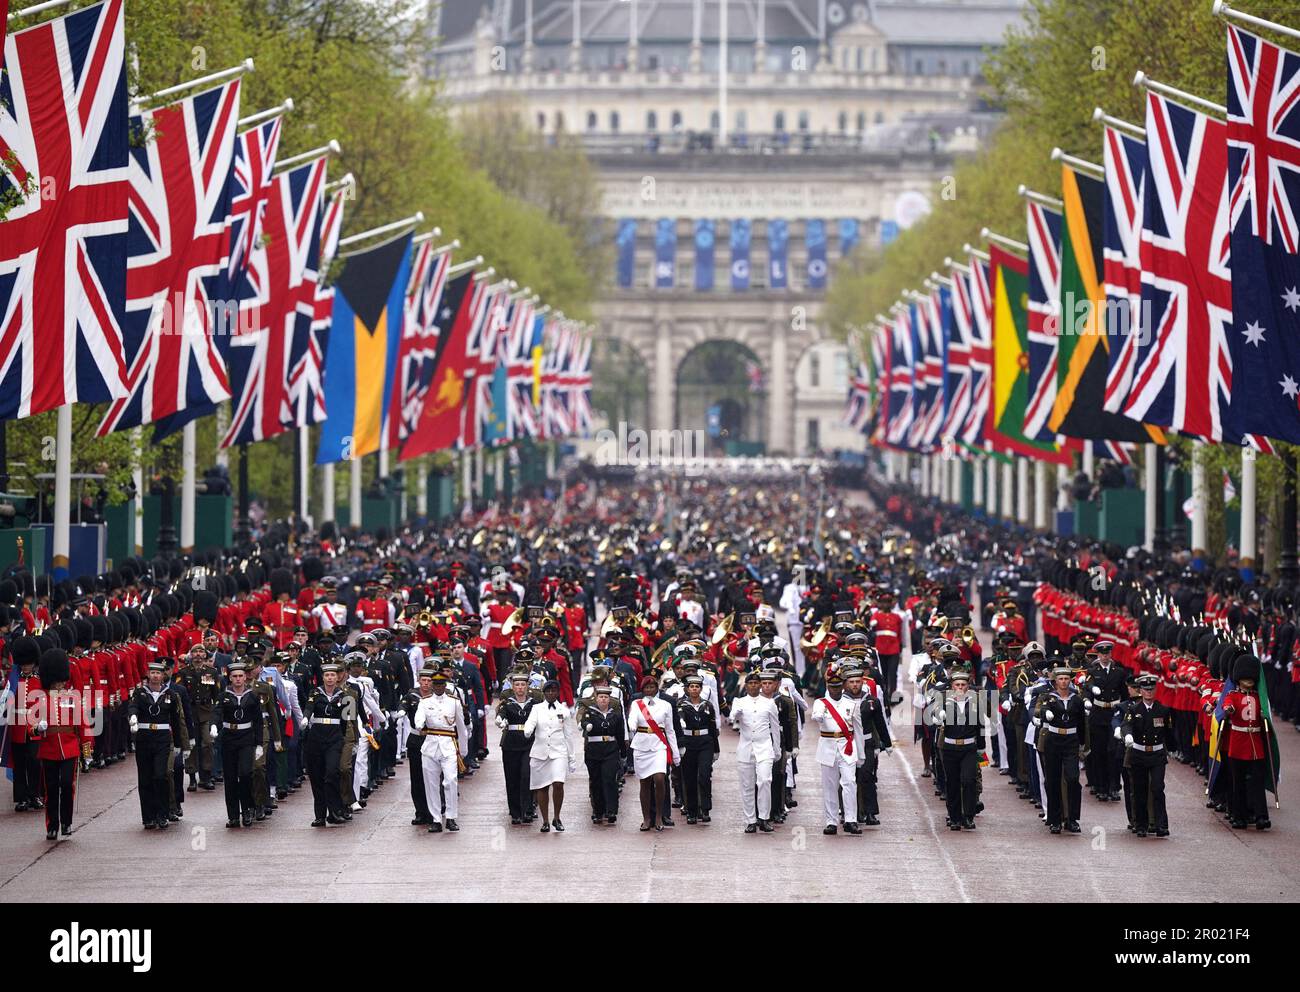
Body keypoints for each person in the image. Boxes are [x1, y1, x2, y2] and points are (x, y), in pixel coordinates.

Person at [31, 648, 91, 840]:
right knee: (51, 788)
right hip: (48, 749)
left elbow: (83, 725)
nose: (60, 684)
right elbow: (29, 725)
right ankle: (52, 825)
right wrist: (37, 728)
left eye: (62, 680)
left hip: (70, 748)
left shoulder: (72, 697)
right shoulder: (40, 698)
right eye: (57, 681)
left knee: (66, 784)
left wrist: (87, 752)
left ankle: (66, 822)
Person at [127, 658, 191, 830]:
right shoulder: (140, 693)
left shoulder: (171, 695)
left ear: (163, 675)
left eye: (158, 673)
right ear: (148, 675)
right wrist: (132, 717)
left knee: (160, 775)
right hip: (144, 739)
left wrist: (179, 744)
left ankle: (162, 814)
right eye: (152, 673)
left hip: (162, 739)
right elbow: (133, 707)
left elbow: (177, 721)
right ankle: (148, 816)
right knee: (145, 779)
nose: (155, 676)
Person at [414, 667, 469, 832]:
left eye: (441, 684)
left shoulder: (454, 702)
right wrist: (419, 724)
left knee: (451, 781)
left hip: (449, 744)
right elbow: (418, 719)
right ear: (432, 685)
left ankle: (451, 817)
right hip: (430, 745)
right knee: (431, 784)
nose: (438, 687)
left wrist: (463, 749)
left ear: (445, 685)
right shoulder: (424, 702)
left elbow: (461, 727)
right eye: (435, 684)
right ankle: (436, 819)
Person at [1221, 655, 1272, 830]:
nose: (1248, 680)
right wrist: (1228, 709)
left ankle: (1261, 816)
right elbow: (1227, 705)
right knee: (1239, 782)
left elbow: (1264, 714)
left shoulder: (1259, 698)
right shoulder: (1233, 696)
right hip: (1238, 744)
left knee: (1257, 781)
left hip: (1255, 744)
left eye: (1250, 677)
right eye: (1245, 677)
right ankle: (1239, 816)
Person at [1035, 664, 1085, 835]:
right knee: (1053, 780)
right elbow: (1041, 710)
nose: (1064, 682)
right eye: (1060, 679)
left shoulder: (1076, 699)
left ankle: (1072, 819)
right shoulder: (1049, 697)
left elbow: (1082, 723)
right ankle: (1055, 820)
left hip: (1071, 740)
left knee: (1072, 778)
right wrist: (1045, 714)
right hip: (1054, 740)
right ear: (1055, 681)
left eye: (1066, 679)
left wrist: (1084, 745)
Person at [729, 669, 781, 833]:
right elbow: (732, 717)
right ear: (746, 686)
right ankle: (750, 820)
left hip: (764, 747)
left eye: (756, 683)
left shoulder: (769, 703)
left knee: (765, 780)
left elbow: (775, 728)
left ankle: (764, 818)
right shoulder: (739, 701)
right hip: (746, 748)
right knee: (747, 786)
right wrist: (736, 714)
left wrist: (777, 749)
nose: (753, 686)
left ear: (760, 685)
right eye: (750, 683)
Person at [627, 674, 681, 831]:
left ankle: (659, 816)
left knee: (659, 778)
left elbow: (670, 730)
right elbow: (632, 719)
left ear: (657, 688)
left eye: (652, 687)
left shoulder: (665, 705)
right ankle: (646, 818)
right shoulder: (637, 704)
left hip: (659, 745)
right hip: (642, 745)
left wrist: (676, 753)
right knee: (644, 782)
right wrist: (631, 725)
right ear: (642, 690)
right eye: (646, 687)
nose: (649, 690)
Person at [522, 679, 576, 832]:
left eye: (554, 691)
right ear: (544, 693)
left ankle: (557, 817)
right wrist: (527, 730)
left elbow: (568, 735)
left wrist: (572, 758)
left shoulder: (564, 710)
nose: (551, 694)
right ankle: (545, 820)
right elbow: (531, 722)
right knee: (542, 787)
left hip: (558, 752)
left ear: (558, 692)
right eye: (548, 691)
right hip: (540, 752)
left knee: (558, 783)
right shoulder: (537, 708)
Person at [810, 671, 860, 835]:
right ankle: (831, 821)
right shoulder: (820, 703)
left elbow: (858, 730)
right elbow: (816, 716)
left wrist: (861, 753)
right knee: (829, 786)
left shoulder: (851, 704)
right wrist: (819, 716)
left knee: (850, 783)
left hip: (847, 747)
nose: (835, 690)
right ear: (828, 687)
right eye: (832, 687)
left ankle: (851, 820)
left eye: (838, 686)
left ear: (843, 686)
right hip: (827, 747)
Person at [1121, 673, 1171, 838]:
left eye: (1151, 689)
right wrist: (1127, 735)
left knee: (1157, 788)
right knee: (1140, 790)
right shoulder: (1134, 710)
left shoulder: (1162, 710)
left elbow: (1168, 732)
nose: (1149, 692)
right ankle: (1141, 825)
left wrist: (1169, 750)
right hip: (1139, 754)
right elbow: (1127, 724)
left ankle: (1161, 825)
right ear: (1140, 691)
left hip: (1156, 754)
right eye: (1145, 689)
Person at [215, 659, 264, 828]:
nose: (237, 679)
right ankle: (233, 815)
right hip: (229, 738)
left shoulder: (252, 696)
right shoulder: (223, 696)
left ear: (245, 678)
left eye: (240, 676)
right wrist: (215, 726)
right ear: (230, 678)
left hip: (246, 738)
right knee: (229, 778)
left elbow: (258, 721)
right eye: (234, 676)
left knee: (245, 774)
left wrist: (259, 744)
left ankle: (248, 809)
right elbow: (217, 713)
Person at [936, 667, 985, 831]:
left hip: (969, 747)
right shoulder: (943, 700)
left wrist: (981, 749)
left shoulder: (976, 701)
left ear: (968, 686)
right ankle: (955, 817)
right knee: (953, 783)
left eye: (963, 684)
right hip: (949, 747)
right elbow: (933, 717)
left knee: (968, 780)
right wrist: (939, 716)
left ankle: (968, 816)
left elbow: (981, 726)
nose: (960, 688)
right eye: (957, 684)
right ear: (952, 686)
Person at [302, 660, 350, 826]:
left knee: (331, 773)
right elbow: (309, 707)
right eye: (327, 675)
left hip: (334, 738)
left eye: (333, 675)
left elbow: (346, 720)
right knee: (316, 776)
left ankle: (335, 811)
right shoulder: (315, 693)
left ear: (338, 677)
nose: (330, 678)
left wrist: (344, 739)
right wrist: (305, 718)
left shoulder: (344, 696)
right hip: (316, 738)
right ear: (322, 677)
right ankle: (320, 815)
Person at [673, 673, 719, 824]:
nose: (694, 689)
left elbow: (713, 728)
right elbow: (678, 724)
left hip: (705, 742)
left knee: (704, 775)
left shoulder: (707, 705)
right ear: (687, 689)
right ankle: (692, 811)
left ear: (701, 689)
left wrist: (716, 749)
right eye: (691, 686)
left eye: (697, 687)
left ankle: (705, 809)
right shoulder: (681, 705)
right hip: (688, 742)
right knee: (689, 777)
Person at [580, 684, 625, 824]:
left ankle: (611, 810)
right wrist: (586, 725)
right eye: (601, 697)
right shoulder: (590, 712)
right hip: (594, 750)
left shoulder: (615, 715)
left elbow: (620, 733)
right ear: (596, 698)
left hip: (611, 749)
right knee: (596, 781)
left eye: (606, 697)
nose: (603, 700)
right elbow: (583, 721)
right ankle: (598, 811)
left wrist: (623, 751)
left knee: (610, 779)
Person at [495, 670, 536, 825]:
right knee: (512, 778)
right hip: (511, 744)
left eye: (523, 685)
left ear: (527, 686)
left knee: (526, 776)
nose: (520, 688)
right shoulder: (507, 703)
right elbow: (501, 715)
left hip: (529, 743)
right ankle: (515, 812)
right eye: (517, 685)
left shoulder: (534, 704)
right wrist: (500, 720)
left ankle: (527, 810)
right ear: (513, 687)